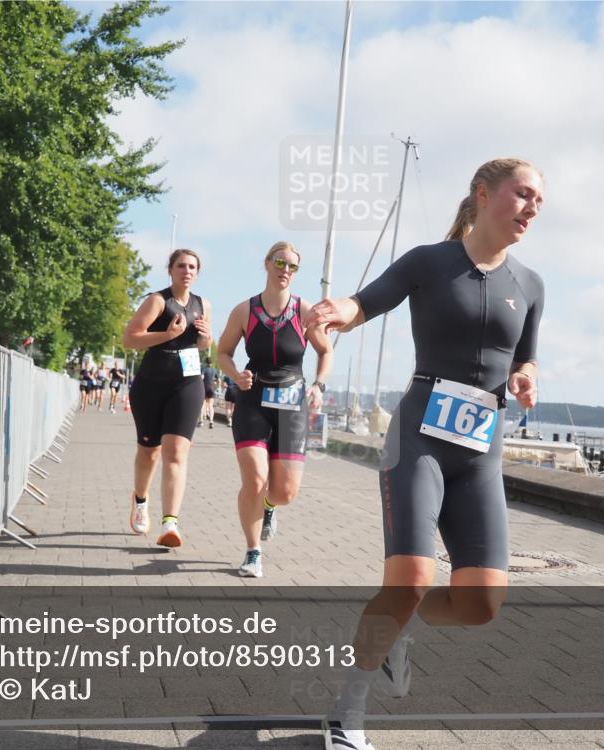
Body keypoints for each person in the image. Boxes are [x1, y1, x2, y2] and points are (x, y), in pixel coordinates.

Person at [305, 158, 545, 750]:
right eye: (523, 194)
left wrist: (526, 378)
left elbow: (525, 357)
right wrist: (338, 312)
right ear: (485, 194)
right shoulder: (428, 262)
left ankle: (396, 636)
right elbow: (365, 303)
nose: (533, 207)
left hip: (481, 451)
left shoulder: (531, 285)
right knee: (412, 575)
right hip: (422, 436)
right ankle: (347, 710)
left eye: (540, 200)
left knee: (481, 603)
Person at [217, 241, 332, 577]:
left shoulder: (304, 311)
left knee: (284, 492)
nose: (285, 271)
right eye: (280, 263)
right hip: (252, 400)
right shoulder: (244, 311)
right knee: (254, 479)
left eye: (292, 266)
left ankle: (269, 507)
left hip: (291, 404)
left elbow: (326, 351)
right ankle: (253, 552)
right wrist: (236, 374)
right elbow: (223, 352)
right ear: (267, 264)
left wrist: (318, 385)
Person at [122, 249, 212, 547]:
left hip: (187, 384)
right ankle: (140, 500)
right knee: (150, 452)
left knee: (176, 452)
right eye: (181, 266)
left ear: (197, 273)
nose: (187, 271)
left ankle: (170, 524)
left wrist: (206, 339)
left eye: (192, 267)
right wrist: (167, 334)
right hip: (151, 384)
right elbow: (130, 339)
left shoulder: (203, 305)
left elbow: (202, 345)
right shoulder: (157, 301)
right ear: (170, 270)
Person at [199, 360, 218, 429]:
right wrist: (215, 386)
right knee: (210, 406)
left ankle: (201, 421)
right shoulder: (214, 370)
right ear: (212, 363)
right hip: (212, 388)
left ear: (206, 362)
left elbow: (202, 377)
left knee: (203, 405)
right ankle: (211, 421)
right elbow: (218, 380)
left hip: (204, 388)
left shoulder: (204, 369)